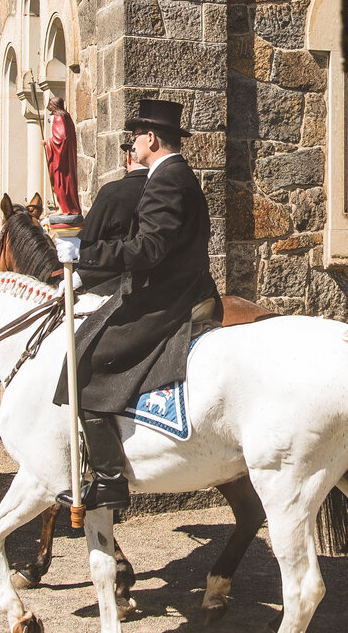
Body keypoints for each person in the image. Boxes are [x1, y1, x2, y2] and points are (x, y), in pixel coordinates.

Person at [52, 99, 221, 510]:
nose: (131, 143)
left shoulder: (166, 180)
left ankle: (109, 479)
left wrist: (84, 254)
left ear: (151, 139)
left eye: (135, 136)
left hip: (166, 298)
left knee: (84, 364)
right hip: (178, 287)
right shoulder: (176, 175)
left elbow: (149, 249)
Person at [73, 141, 147, 295]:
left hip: (111, 286)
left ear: (128, 157)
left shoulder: (112, 192)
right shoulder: (164, 189)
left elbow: (87, 240)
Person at [44, 95, 81, 216]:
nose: (50, 107)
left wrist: (48, 143)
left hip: (61, 159)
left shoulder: (59, 118)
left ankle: (64, 208)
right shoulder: (66, 117)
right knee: (66, 183)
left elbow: (61, 137)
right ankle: (66, 207)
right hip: (66, 157)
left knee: (60, 183)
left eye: (51, 105)